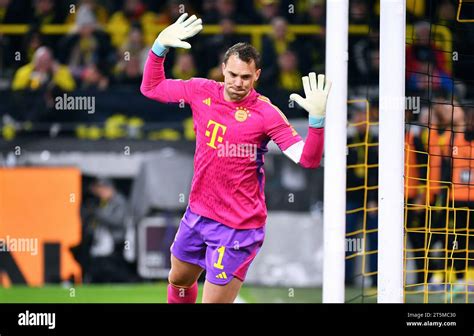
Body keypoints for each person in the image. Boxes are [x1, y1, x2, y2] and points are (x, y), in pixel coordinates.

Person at [140, 13, 331, 303]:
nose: (238, 83)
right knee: (179, 280)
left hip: (238, 227)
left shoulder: (267, 114)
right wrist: (158, 48)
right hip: (198, 214)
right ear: (223, 70)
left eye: (245, 77)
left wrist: (316, 123)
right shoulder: (201, 91)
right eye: (233, 75)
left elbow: (308, 159)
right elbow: (151, 87)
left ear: (256, 76)